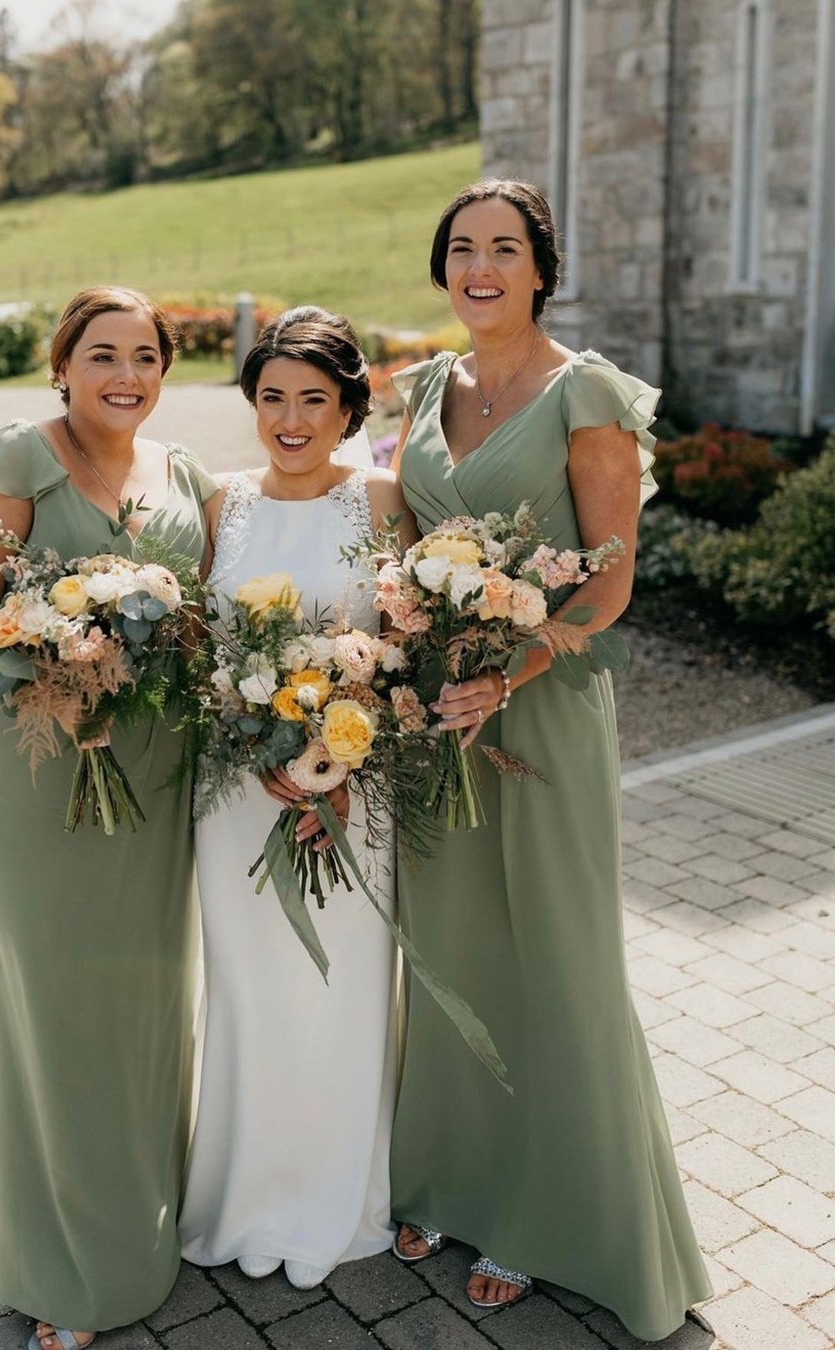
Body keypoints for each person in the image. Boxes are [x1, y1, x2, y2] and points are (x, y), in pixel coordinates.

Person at [387, 181, 712, 1342]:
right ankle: (441, 1179)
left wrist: (504, 674)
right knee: (453, 946)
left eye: (504, 250)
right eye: (461, 247)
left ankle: (548, 1215)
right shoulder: (423, 386)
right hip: (435, 714)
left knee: (555, 957)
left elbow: (611, 581)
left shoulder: (588, 394)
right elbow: (392, 542)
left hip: (541, 707)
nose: (481, 267)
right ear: (445, 268)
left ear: (540, 269)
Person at [0, 286, 216, 1350]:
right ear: (65, 362)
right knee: (58, 1008)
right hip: (38, 759)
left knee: (148, 995)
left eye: (146, 356)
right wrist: (64, 666)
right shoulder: (18, 453)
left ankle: (151, 1219)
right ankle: (65, 1266)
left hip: (156, 764)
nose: (126, 374)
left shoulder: (179, 471)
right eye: (104, 354)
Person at [178, 306, 415, 1290]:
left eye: (313, 398)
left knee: (336, 985)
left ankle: (334, 1193)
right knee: (251, 986)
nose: (289, 416)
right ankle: (240, 1190)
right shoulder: (222, 503)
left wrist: (340, 744)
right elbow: (199, 639)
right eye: (271, 396)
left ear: (350, 405)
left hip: (356, 786)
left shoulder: (382, 500)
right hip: (235, 786)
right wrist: (247, 730)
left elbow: (404, 636)